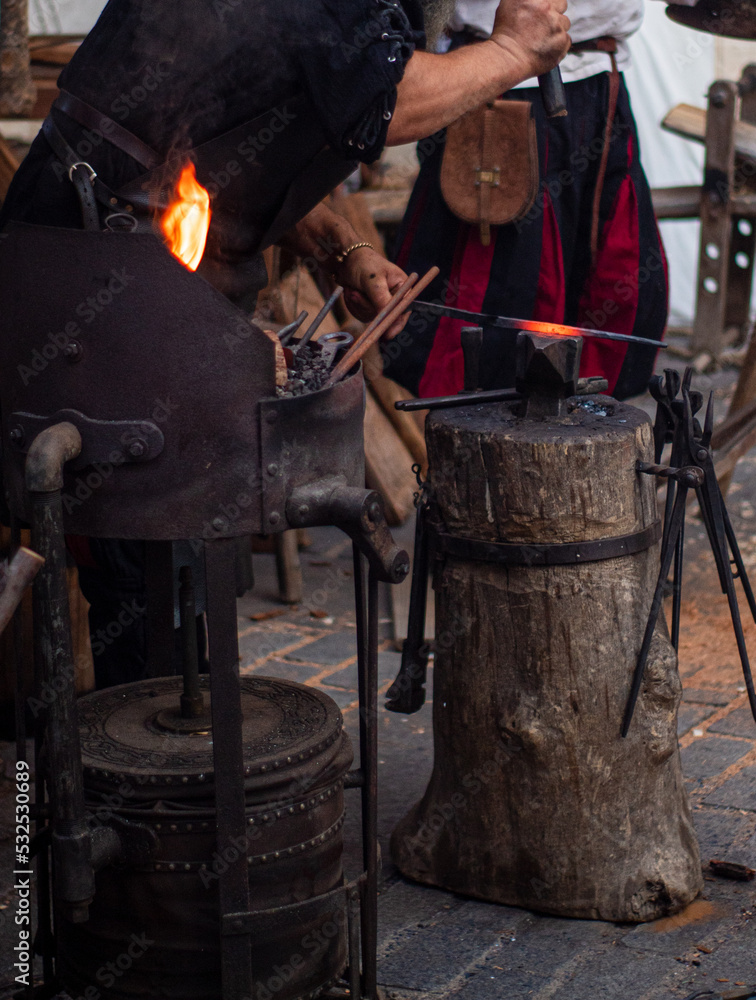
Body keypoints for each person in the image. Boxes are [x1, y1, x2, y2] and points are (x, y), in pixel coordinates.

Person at [0, 0, 571, 686]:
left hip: (147, 266)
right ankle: (143, 725)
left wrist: (340, 245)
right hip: (95, 258)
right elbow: (379, 102)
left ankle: (178, 703)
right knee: (136, 533)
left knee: (171, 537)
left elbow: (244, 132)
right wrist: (513, 53)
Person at [383, 0, 667, 400]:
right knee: (496, 316)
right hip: (493, 85)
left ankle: (580, 424)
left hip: (602, 87)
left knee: (611, 290)